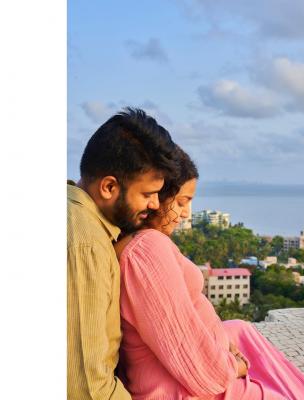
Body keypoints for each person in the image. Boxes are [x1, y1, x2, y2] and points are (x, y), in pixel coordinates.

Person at [114, 149, 304, 399]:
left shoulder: (147, 243)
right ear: (158, 196)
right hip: (182, 389)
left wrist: (222, 340)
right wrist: (236, 365)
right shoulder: (146, 251)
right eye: (181, 202)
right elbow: (198, 368)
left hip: (186, 368)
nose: (186, 213)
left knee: (240, 329)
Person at [67, 108, 180, 400]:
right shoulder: (86, 244)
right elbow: (87, 388)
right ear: (108, 187)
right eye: (147, 194)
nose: (156, 205)